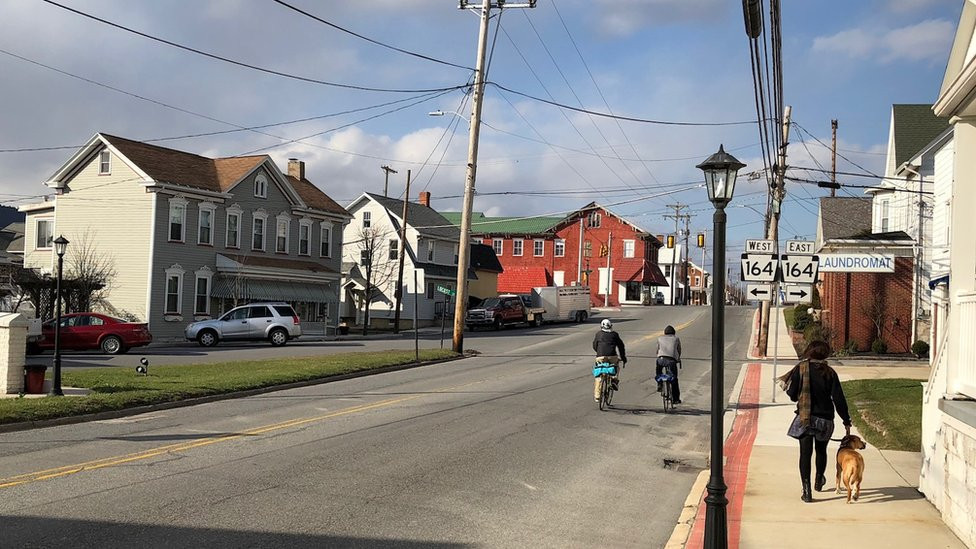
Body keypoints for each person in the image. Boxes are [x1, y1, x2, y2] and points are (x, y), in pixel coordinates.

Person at [780, 340, 851, 503]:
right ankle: (819, 480)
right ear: (825, 354)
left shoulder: (801, 369)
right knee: (821, 450)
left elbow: (791, 394)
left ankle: (807, 491)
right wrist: (846, 420)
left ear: (809, 352)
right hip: (825, 419)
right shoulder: (830, 372)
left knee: (805, 454)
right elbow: (839, 399)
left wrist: (800, 395)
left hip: (806, 417)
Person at [592, 318, 627, 401]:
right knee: (616, 367)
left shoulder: (598, 334)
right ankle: (614, 380)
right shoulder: (614, 334)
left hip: (600, 356)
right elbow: (621, 347)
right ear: (611, 326)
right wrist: (623, 358)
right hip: (612, 356)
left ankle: (597, 396)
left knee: (598, 375)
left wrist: (599, 352)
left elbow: (594, 345)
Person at [655, 325, 682, 404]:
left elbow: (657, 350)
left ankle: (659, 384)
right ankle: (676, 399)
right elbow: (679, 350)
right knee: (674, 379)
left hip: (660, 359)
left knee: (658, 371)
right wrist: (678, 358)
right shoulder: (676, 339)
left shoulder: (659, 338)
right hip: (671, 361)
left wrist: (659, 355)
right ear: (674, 333)